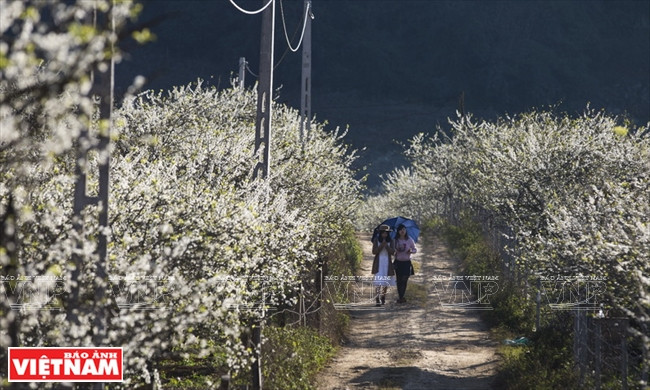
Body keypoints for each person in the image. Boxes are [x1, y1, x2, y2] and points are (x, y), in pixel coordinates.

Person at [371, 224, 395, 306]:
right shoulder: (376, 240)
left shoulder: (391, 241)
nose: (385, 234)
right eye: (383, 233)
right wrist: (381, 245)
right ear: (380, 233)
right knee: (378, 281)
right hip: (379, 263)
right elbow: (374, 251)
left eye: (386, 233)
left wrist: (386, 246)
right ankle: (377, 298)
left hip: (387, 263)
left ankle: (383, 296)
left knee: (385, 281)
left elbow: (392, 252)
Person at [393, 224, 416, 303]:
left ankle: (402, 296)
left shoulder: (409, 239)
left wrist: (411, 251)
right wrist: (394, 252)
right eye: (400, 230)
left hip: (407, 262)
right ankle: (400, 297)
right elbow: (392, 250)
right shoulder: (395, 240)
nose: (402, 231)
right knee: (399, 279)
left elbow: (415, 249)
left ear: (406, 231)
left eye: (404, 229)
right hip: (398, 262)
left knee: (404, 279)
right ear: (398, 231)